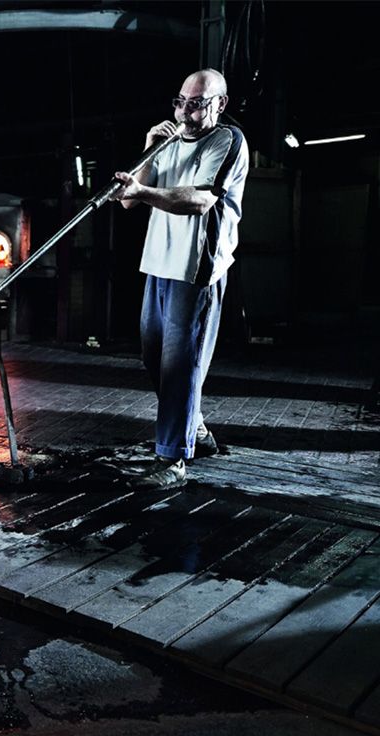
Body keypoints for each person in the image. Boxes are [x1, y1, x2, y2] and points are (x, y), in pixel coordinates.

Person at [111, 68, 249, 489]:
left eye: (196, 103)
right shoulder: (168, 138)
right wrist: (150, 148)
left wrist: (140, 192)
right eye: (180, 101)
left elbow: (200, 200)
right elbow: (130, 204)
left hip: (196, 269)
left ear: (219, 104)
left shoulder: (226, 140)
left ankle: (173, 459)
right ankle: (197, 429)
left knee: (179, 366)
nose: (185, 111)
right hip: (157, 262)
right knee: (154, 357)